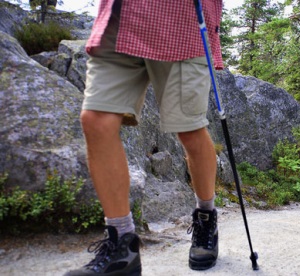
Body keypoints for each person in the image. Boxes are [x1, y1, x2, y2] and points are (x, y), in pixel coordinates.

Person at [65, 0, 223, 275]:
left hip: (182, 22)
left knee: (190, 130)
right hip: (119, 17)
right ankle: (121, 246)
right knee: (96, 119)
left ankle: (206, 217)